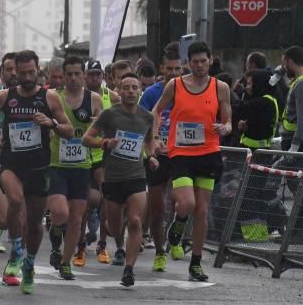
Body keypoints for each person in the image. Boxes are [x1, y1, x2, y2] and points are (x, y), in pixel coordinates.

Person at [0, 50, 74, 293]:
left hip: (38, 168)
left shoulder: (49, 97)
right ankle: (17, 250)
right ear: (15, 72)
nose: (27, 77)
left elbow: (69, 130)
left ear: (38, 71)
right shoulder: (5, 97)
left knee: (34, 223)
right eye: (22, 73)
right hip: (11, 164)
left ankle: (29, 263)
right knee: (15, 200)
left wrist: (50, 123)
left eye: (32, 72)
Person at [151, 41, 232, 282]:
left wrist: (225, 128)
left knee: (202, 210)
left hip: (208, 152)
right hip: (181, 153)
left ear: (211, 60)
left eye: (203, 61)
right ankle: (179, 221)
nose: (199, 65)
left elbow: (227, 120)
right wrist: (156, 137)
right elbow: (156, 111)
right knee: (186, 203)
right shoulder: (175, 85)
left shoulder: (221, 87)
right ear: (188, 63)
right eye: (194, 62)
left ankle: (195, 263)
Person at [84, 72, 157, 287]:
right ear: (119, 89)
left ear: (140, 91)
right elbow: (86, 138)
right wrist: (104, 143)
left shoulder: (147, 117)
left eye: (135, 87)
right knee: (115, 227)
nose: (131, 91)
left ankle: (129, 269)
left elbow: (149, 141)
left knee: (135, 221)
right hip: (113, 178)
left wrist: (152, 156)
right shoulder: (109, 115)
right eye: (126, 87)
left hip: (136, 176)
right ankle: (114, 234)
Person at [44, 56, 101, 281]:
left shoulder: (94, 99)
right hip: (57, 164)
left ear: (84, 75)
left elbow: (102, 128)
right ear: (63, 75)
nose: (74, 78)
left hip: (82, 165)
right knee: (60, 212)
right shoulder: (53, 98)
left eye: (78, 74)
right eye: (70, 74)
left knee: (77, 218)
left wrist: (98, 129)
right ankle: (56, 229)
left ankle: (65, 263)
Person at [139, 43, 183, 271]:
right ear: (162, 69)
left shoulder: (189, 90)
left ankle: (175, 237)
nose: (174, 74)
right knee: (157, 208)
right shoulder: (151, 93)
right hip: (157, 156)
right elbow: (138, 120)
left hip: (180, 155)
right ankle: (159, 252)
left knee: (180, 201)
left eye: (178, 69)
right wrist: (153, 133)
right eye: (170, 69)